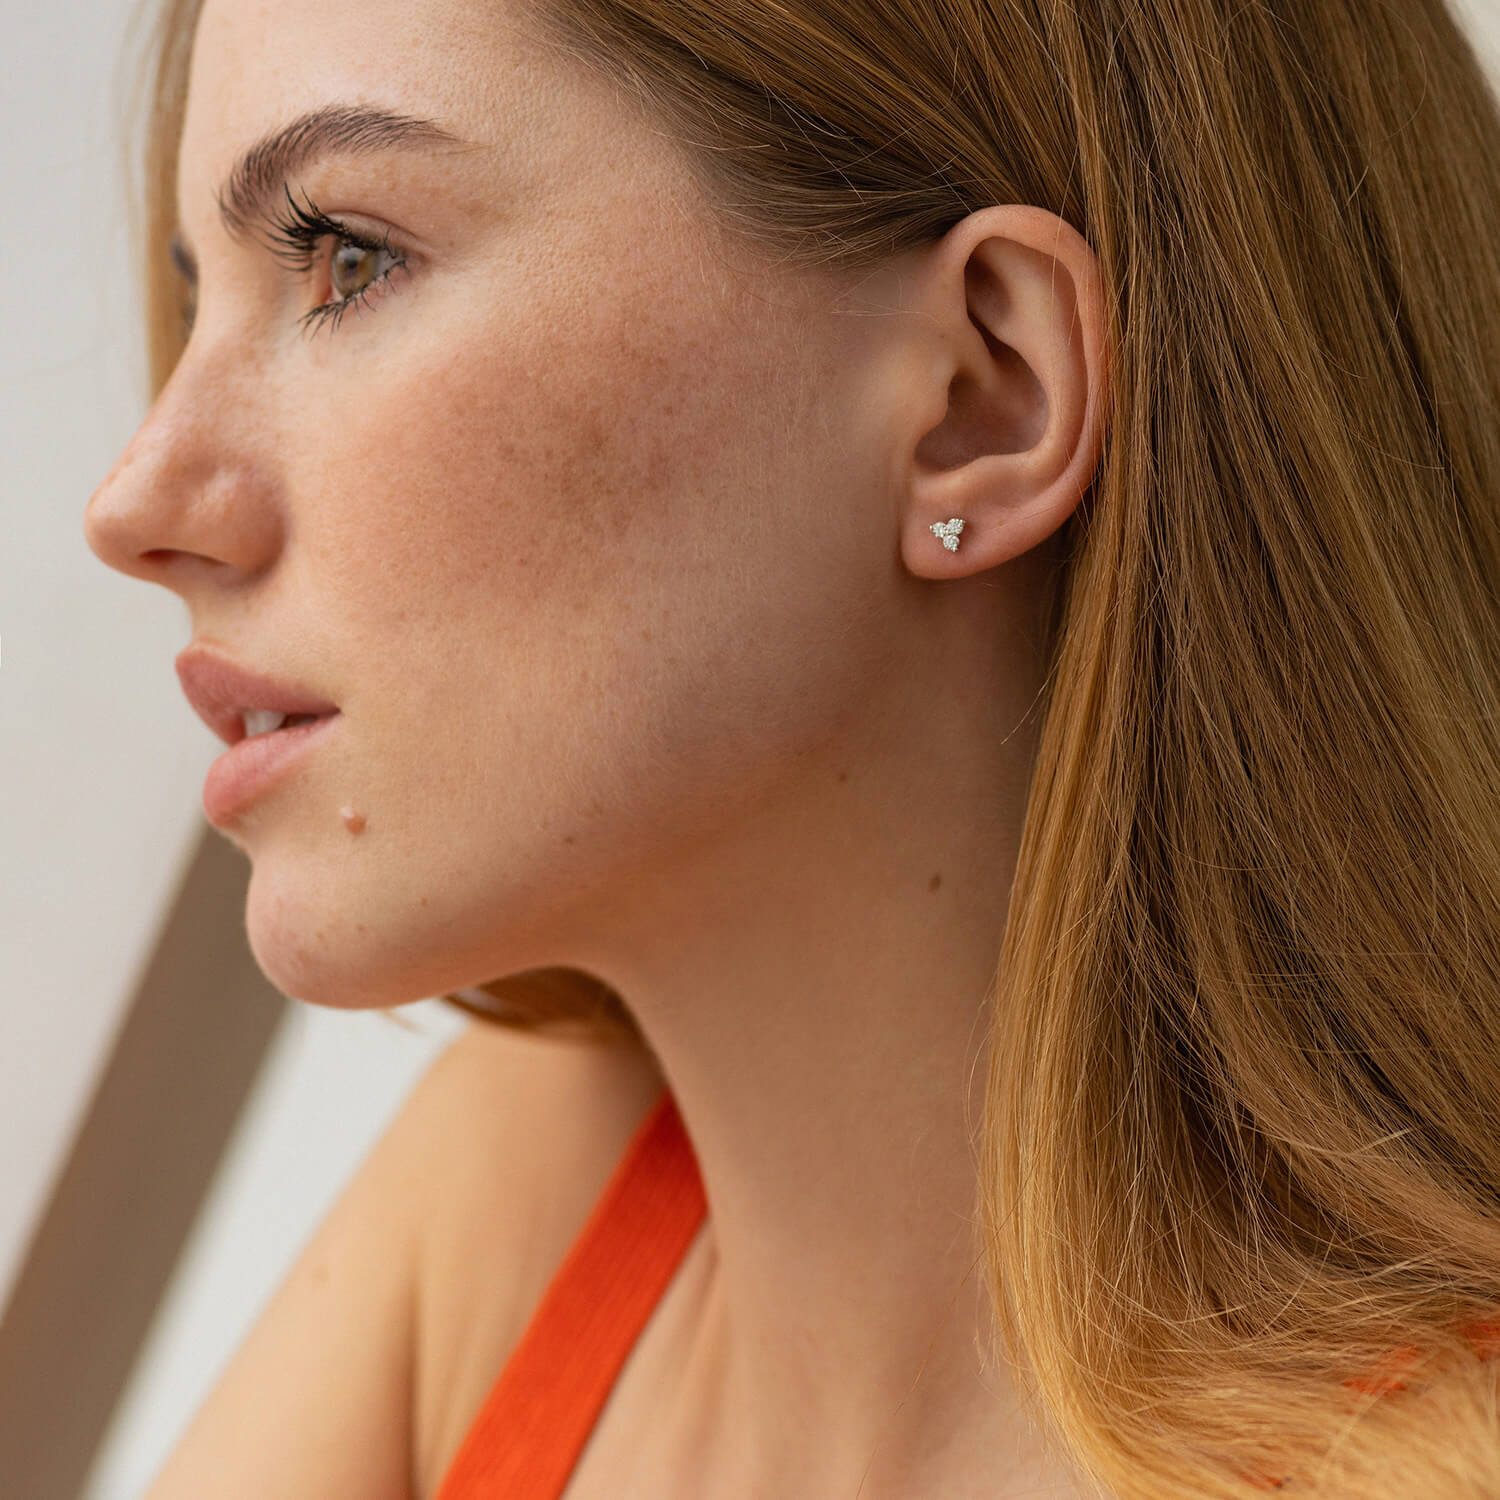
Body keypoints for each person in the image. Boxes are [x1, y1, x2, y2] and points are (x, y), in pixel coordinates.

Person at [83, 0, 1500, 1494]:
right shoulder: (523, 1211)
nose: (135, 504)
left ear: (980, 396)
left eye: (349, 259)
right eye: (196, 294)